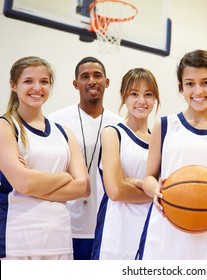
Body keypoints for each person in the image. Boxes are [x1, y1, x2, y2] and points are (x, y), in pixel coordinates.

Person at [137, 49, 207, 260]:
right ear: (180, 87)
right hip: (168, 227)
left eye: (205, 82)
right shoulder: (165, 125)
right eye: (190, 84)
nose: (198, 91)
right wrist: (155, 189)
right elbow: (148, 177)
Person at [0, 56, 90, 260]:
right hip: (17, 239)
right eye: (28, 81)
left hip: (58, 237)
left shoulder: (64, 133)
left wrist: (33, 181)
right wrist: (65, 178)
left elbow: (84, 187)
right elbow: (23, 183)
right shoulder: (6, 126)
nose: (37, 87)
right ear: (13, 85)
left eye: (44, 82)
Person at [48, 57, 122, 260]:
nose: (92, 81)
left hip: (105, 224)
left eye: (97, 75)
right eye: (85, 76)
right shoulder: (55, 121)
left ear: (107, 82)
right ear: (75, 84)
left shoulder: (120, 125)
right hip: (64, 223)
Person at [91, 68, 160, 259]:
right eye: (134, 94)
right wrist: (155, 193)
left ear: (155, 99)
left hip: (151, 224)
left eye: (148, 94)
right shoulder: (112, 133)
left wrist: (136, 181)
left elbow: (166, 188)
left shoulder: (160, 139)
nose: (141, 101)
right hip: (117, 226)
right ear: (124, 97)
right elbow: (116, 191)